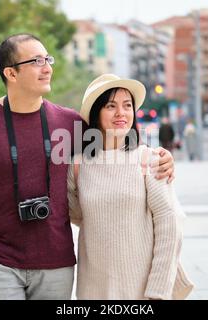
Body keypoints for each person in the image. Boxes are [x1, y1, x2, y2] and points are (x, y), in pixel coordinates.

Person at [0, 34, 176, 300]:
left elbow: (115, 151)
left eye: (48, 59)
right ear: (11, 72)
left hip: (56, 264)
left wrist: (160, 157)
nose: (47, 67)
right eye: (36, 61)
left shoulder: (71, 123)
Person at [66, 74, 194, 300]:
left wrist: (158, 290)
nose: (121, 113)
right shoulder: (78, 166)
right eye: (110, 106)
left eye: (127, 106)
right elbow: (74, 214)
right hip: (93, 290)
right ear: (96, 113)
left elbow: (169, 223)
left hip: (141, 291)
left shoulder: (149, 159)